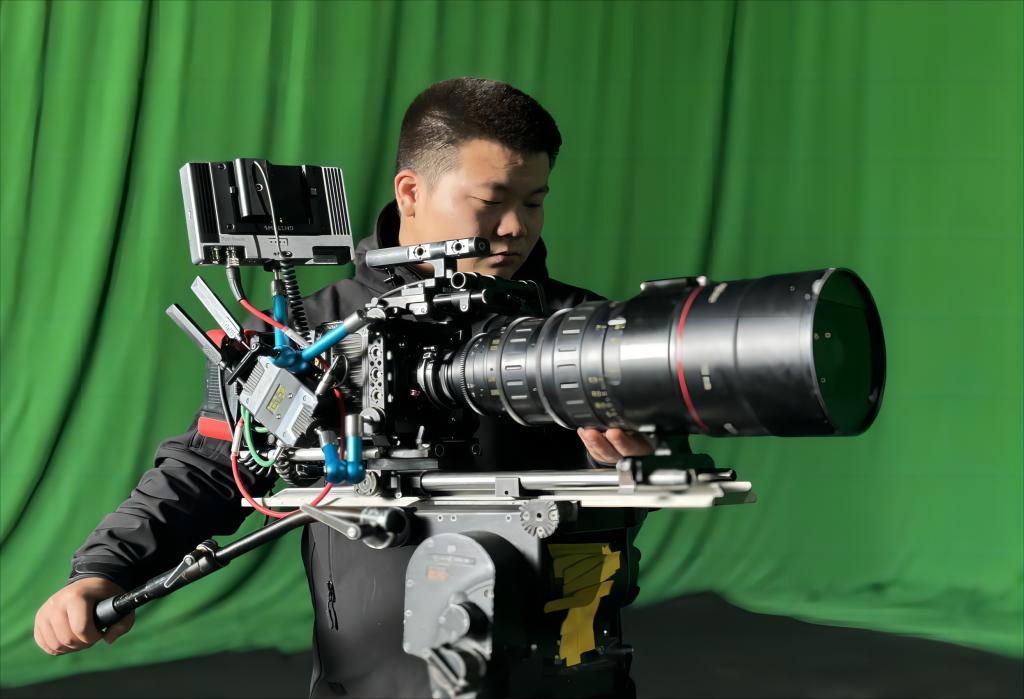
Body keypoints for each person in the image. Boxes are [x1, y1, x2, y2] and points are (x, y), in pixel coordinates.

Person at [33, 77, 654, 697]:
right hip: (374, 678)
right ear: (411, 192)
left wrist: (627, 466)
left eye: (535, 202)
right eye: (491, 200)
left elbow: (633, 496)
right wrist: (104, 570)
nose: (516, 227)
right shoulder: (307, 333)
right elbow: (214, 469)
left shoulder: (583, 331)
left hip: (561, 671)